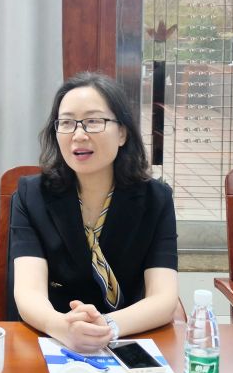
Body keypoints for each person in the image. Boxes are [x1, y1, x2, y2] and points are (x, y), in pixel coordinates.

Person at [10, 72, 179, 352]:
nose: (79, 135)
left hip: (126, 337)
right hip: (50, 339)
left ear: (122, 132)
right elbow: (29, 292)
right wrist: (62, 327)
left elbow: (164, 298)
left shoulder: (155, 199)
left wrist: (106, 326)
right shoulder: (32, 196)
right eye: (67, 123)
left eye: (93, 121)